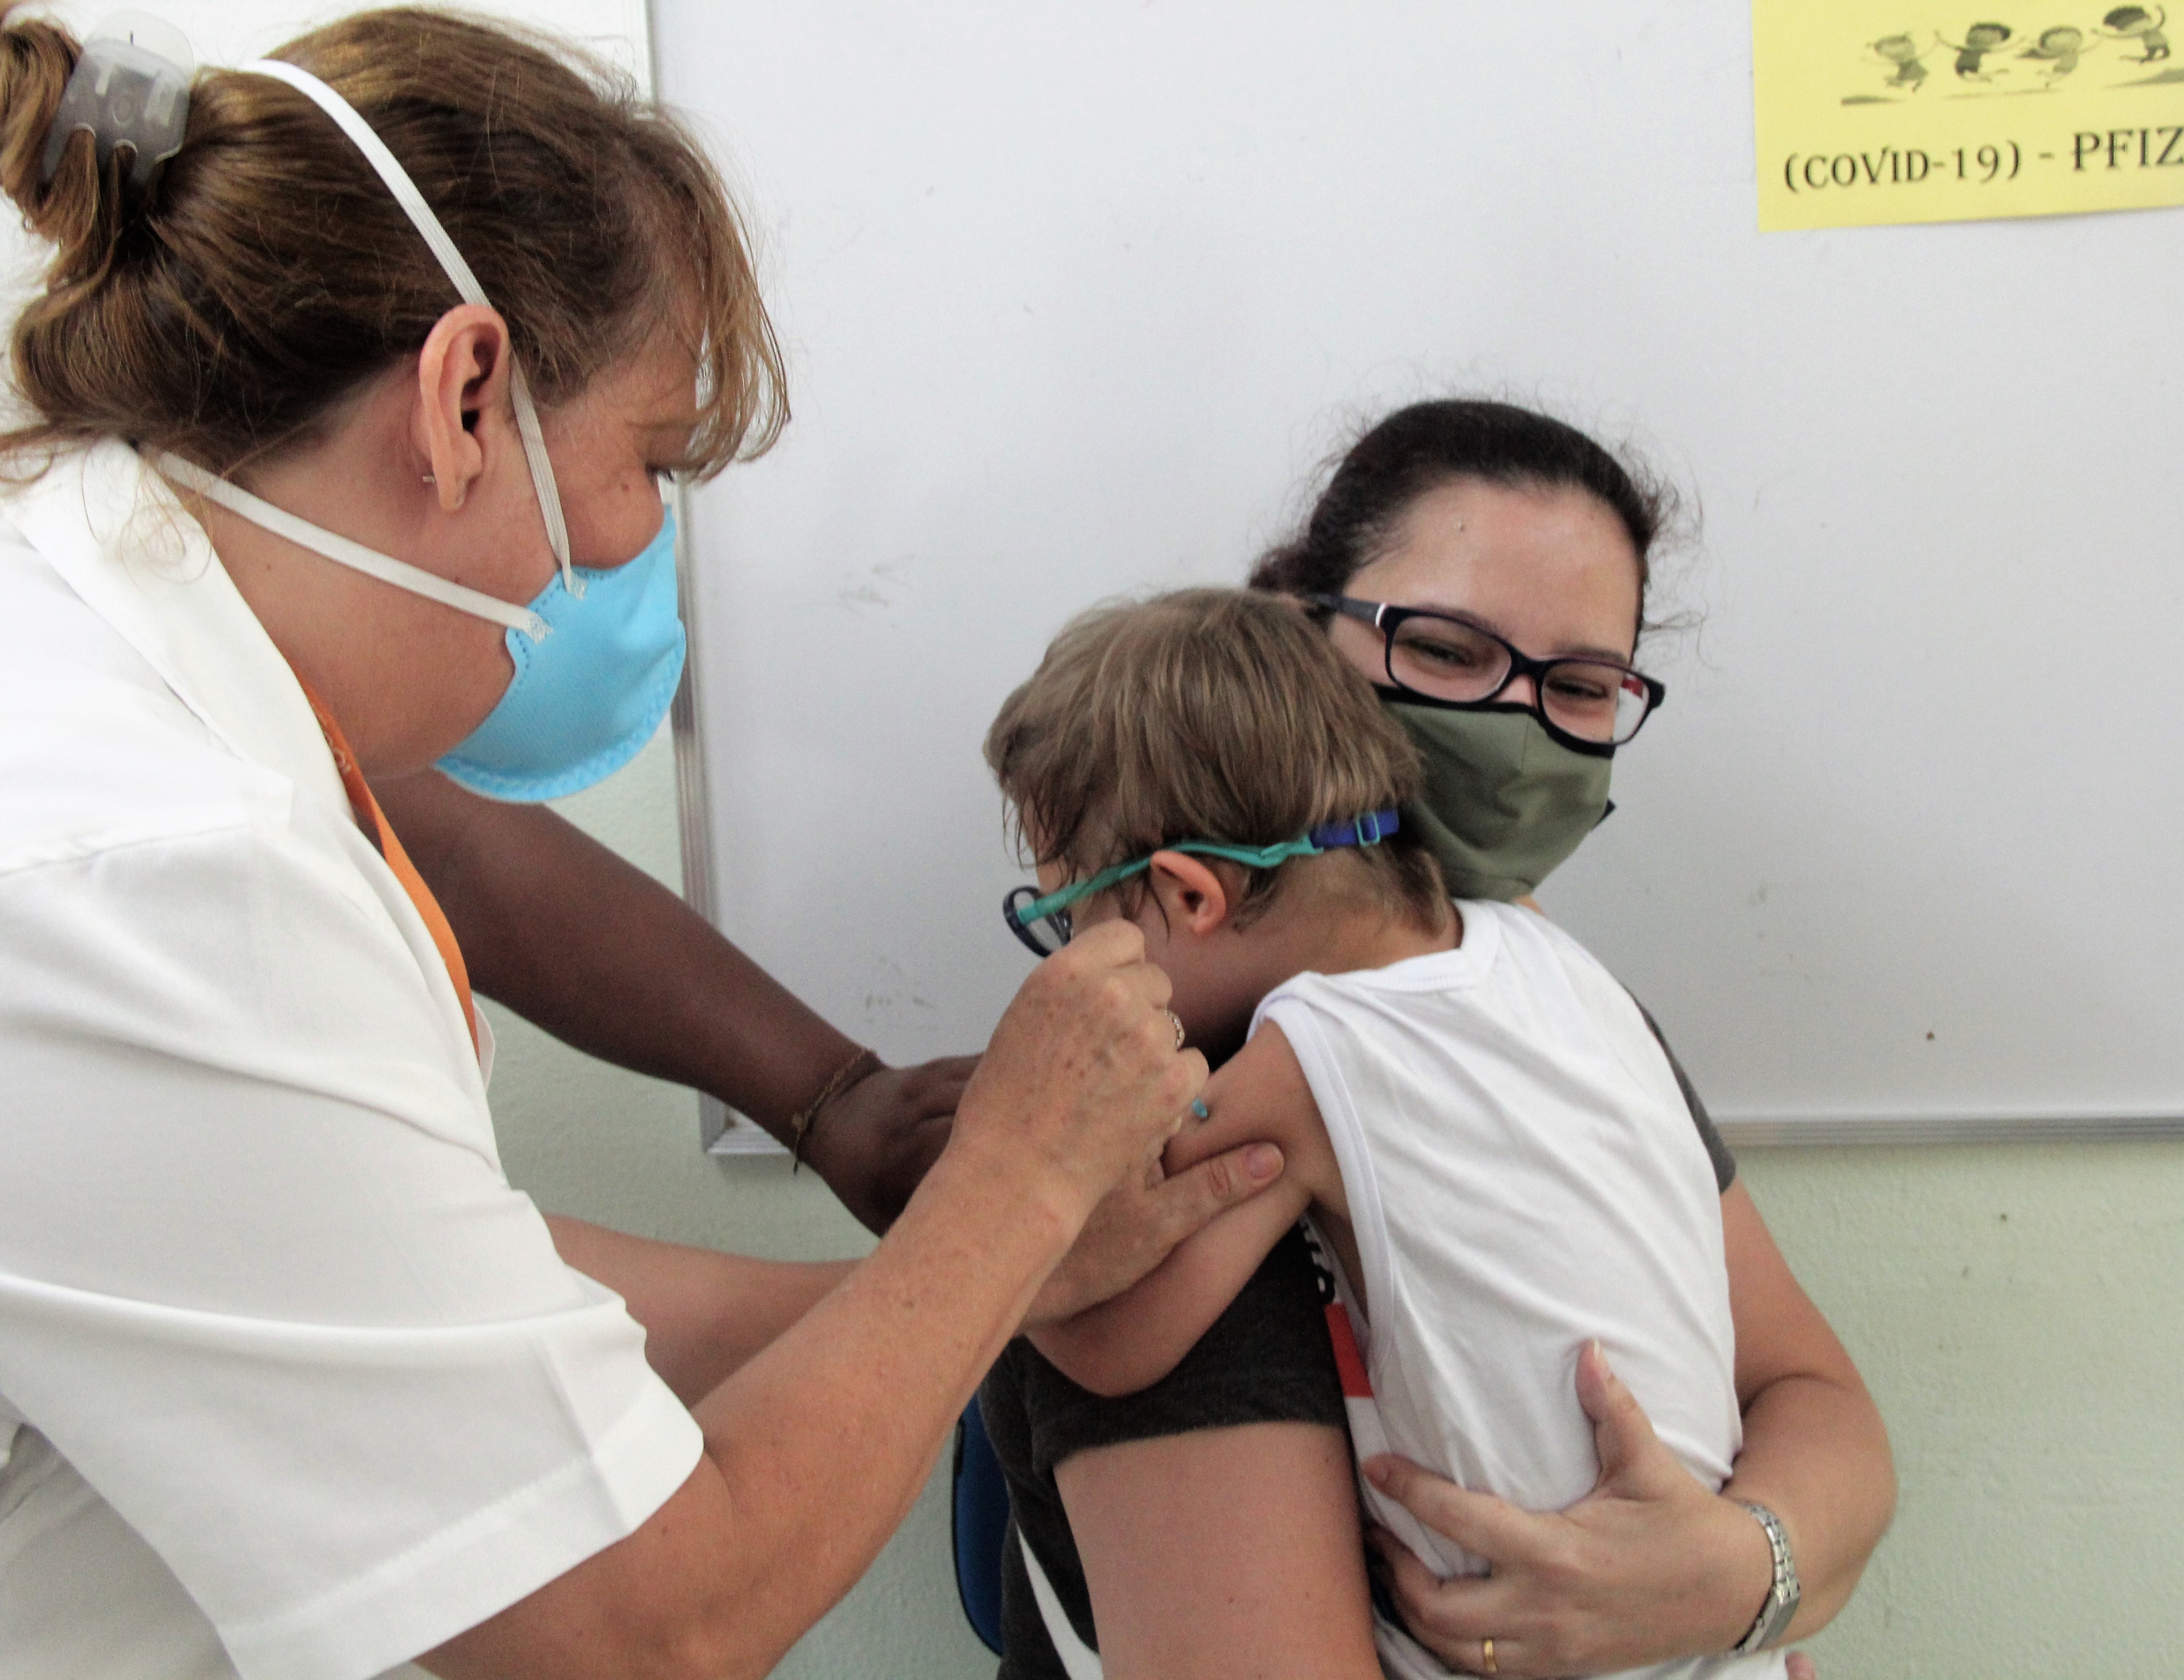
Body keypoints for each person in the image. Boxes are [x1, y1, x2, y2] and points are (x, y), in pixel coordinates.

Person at [0, 12, 1272, 1678]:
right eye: (649, 461)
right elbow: (632, 1632)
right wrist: (1015, 1186)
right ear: (466, 396)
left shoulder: (120, 623)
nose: (635, 546)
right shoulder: (159, 871)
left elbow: (421, 1283)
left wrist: (977, 1258)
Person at [982, 401, 1896, 1679]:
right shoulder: (1486, 999)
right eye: (1454, 653)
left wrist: (1739, 1572)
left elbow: (1818, 1401)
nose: (1515, 731)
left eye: (1580, 686)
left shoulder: (1547, 1001)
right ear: (1304, 640)